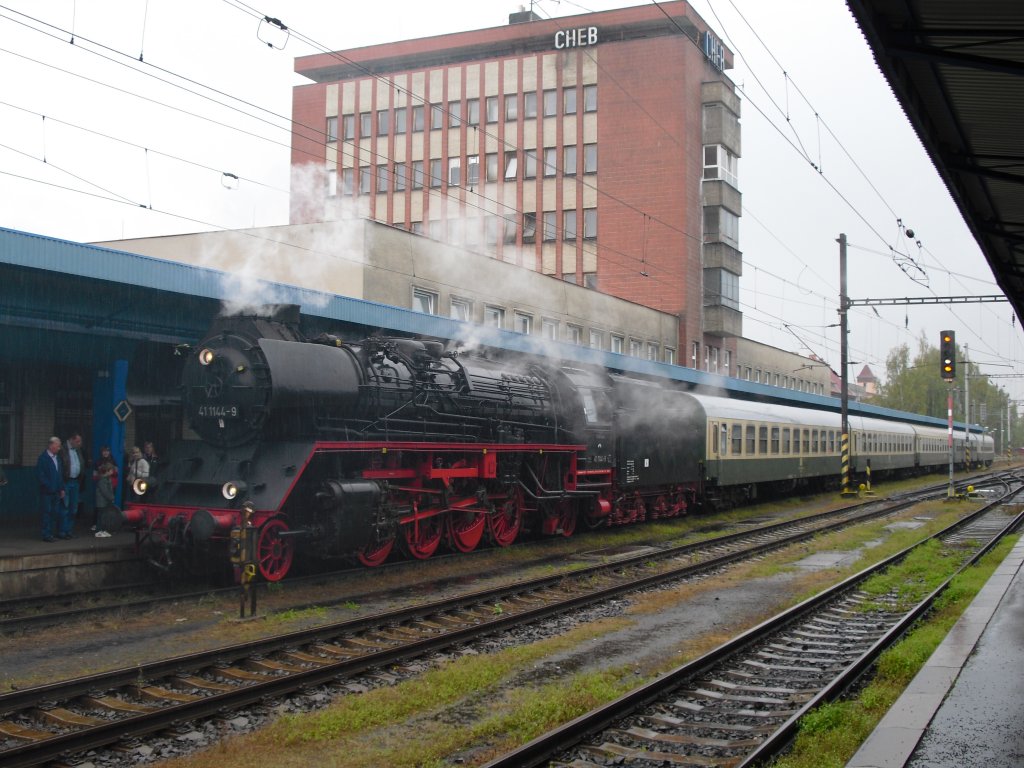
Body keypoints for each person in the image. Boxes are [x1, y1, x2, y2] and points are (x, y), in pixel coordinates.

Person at [36, 436, 65, 542]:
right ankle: (46, 534)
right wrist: (49, 486)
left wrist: (61, 488)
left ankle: (51, 533)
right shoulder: (43, 459)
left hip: (56, 491)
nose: (59, 448)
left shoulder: (57, 458)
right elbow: (40, 476)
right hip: (47, 492)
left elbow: (59, 475)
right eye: (58, 446)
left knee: (54, 513)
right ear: (52, 445)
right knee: (46, 513)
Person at [59, 431, 88, 534]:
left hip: (76, 481)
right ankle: (62, 531)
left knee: (73, 508)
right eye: (77, 441)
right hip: (66, 481)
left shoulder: (78, 450)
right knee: (64, 507)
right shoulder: (63, 450)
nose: (79, 443)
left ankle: (69, 531)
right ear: (71, 440)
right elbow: (61, 467)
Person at [92, 445, 118, 536]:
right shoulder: (98, 462)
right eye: (104, 451)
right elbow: (95, 476)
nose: (106, 453)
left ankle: (104, 529)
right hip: (104, 494)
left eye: (107, 451)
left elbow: (116, 472)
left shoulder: (113, 461)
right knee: (101, 513)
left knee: (106, 512)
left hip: (111, 487)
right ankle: (99, 529)